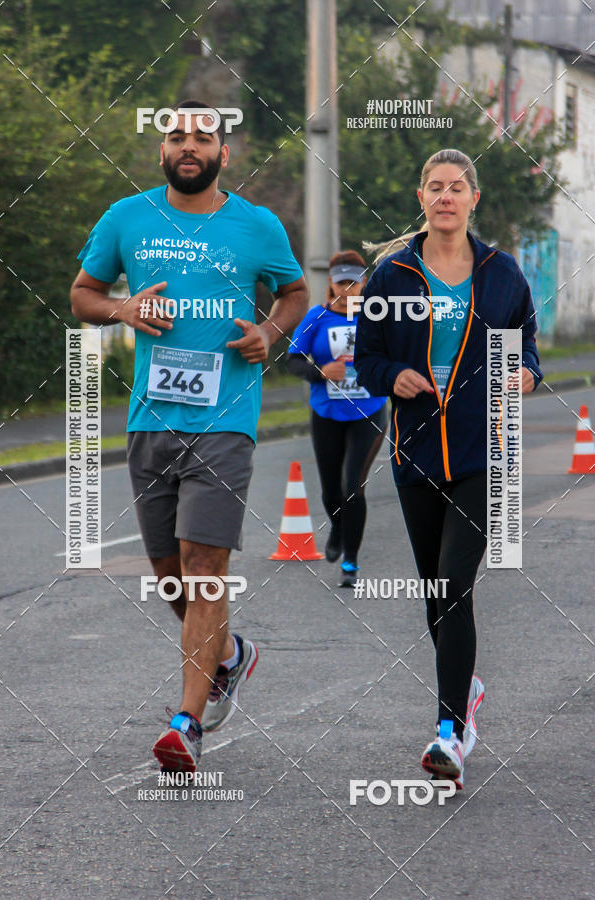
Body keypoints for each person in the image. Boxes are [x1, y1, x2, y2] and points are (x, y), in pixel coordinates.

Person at [70, 99, 308, 772]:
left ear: (223, 153)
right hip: (151, 420)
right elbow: (83, 293)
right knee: (170, 576)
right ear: (162, 150)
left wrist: (270, 332)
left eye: (202, 138)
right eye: (176, 136)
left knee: (205, 568)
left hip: (225, 421)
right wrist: (122, 308)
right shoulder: (127, 217)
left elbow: (294, 293)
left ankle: (187, 723)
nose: (188, 146)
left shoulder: (256, 226)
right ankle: (229, 656)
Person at [354, 148, 542, 789]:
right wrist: (391, 375)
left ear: (473, 200)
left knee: (455, 583)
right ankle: (467, 688)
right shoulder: (392, 275)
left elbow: (526, 345)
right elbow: (365, 357)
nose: (445, 197)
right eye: (435, 187)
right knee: (436, 590)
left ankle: (449, 733)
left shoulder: (501, 273)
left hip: (484, 447)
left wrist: (525, 373)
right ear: (421, 197)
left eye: (456, 187)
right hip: (415, 451)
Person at [287, 251, 387, 587]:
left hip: (369, 412)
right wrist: (319, 372)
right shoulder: (316, 317)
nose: (347, 289)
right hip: (326, 412)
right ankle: (338, 527)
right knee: (331, 492)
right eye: (341, 282)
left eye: (353, 283)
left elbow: (400, 355)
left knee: (352, 487)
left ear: (364, 283)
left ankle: (351, 562)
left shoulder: (378, 316)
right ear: (330, 283)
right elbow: (293, 360)